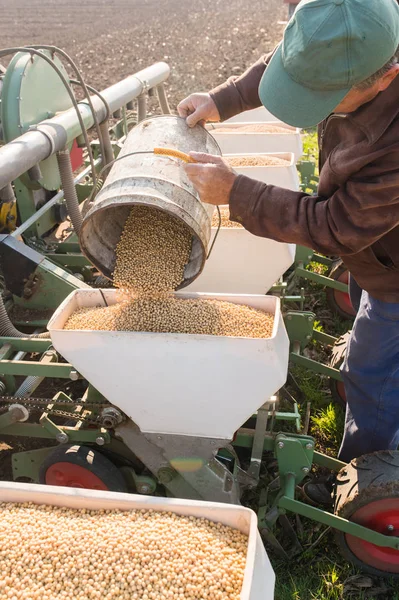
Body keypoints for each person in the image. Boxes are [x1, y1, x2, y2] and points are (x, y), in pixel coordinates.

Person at [177, 0, 399, 503]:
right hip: (381, 241)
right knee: (368, 294)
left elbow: (337, 225)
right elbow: (298, 63)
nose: (311, 103)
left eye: (324, 96)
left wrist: (237, 193)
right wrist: (224, 98)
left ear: (385, 79)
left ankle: (372, 476)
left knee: (375, 370)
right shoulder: (357, 35)